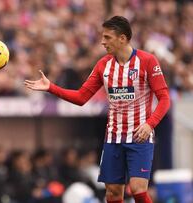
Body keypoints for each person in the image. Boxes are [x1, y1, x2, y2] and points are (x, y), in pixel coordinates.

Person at [25, 16, 170, 203]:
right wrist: (51, 87)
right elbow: (81, 97)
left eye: (107, 37)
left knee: (137, 189)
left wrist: (150, 125)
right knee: (112, 193)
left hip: (139, 136)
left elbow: (165, 98)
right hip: (113, 138)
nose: (102, 42)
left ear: (122, 38)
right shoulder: (103, 65)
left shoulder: (147, 61)